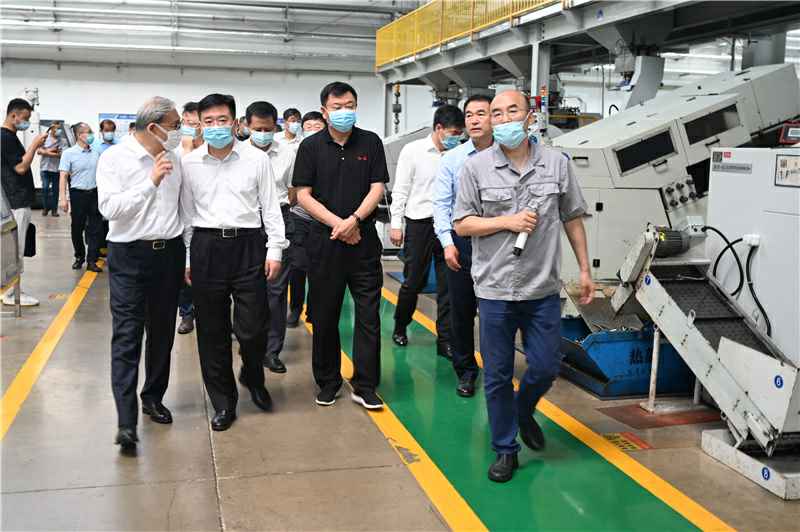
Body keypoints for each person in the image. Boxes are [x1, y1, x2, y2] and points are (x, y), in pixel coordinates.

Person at [453, 90, 594, 483]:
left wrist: (585, 269)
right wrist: (507, 222)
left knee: (546, 366)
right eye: (496, 113)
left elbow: (572, 217)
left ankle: (524, 408)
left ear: (529, 117)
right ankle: (505, 449)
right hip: (494, 289)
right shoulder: (475, 167)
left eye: (511, 111)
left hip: (541, 288)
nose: (503, 119)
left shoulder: (557, 164)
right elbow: (462, 224)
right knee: (497, 374)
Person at [181, 93, 288, 431]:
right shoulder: (189, 163)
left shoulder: (256, 160)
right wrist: (188, 257)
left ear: (235, 123)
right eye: (208, 121)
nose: (216, 126)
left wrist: (275, 250)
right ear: (200, 125)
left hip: (248, 246)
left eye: (222, 120)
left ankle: (253, 376)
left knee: (254, 328)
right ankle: (223, 401)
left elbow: (271, 207)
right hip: (206, 247)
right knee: (211, 331)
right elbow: (186, 215)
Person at [97, 96, 185, 453]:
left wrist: (187, 254)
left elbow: (183, 210)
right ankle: (125, 421)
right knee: (127, 334)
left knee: (162, 332)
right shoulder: (114, 159)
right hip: (129, 256)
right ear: (153, 127)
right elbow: (110, 208)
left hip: (170, 255)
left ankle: (153, 397)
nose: (180, 131)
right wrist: (150, 182)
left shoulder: (175, 159)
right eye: (175, 125)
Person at [293, 82, 388, 410]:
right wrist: (340, 224)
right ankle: (328, 381)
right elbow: (303, 195)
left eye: (350, 105)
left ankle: (365, 384)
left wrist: (355, 220)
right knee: (324, 315)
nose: (344, 111)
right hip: (325, 243)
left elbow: (377, 187)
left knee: (368, 316)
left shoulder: (371, 142)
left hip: (364, 242)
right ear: (325, 111)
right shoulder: (310, 147)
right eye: (337, 107)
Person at [390, 105, 464, 358]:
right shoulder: (413, 151)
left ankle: (445, 340)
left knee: (448, 285)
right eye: (454, 133)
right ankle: (400, 325)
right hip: (420, 223)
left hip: (450, 226)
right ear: (439, 128)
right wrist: (396, 224)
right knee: (413, 281)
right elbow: (401, 188)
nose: (457, 138)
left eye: (460, 134)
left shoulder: (460, 154)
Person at [433, 94, 493, 398]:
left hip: (499, 243)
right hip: (462, 243)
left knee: (497, 312)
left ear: (494, 118)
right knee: (461, 311)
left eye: (481, 113)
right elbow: (441, 205)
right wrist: (447, 243)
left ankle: (497, 369)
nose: (474, 120)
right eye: (469, 114)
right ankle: (466, 371)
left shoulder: (509, 155)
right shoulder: (453, 159)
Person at [246, 100, 296, 374]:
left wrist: (276, 213)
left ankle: (272, 350)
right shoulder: (238, 153)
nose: (263, 133)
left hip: (279, 220)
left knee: (276, 289)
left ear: (275, 127)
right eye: (258, 129)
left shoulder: (288, 153)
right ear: (247, 126)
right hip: (247, 223)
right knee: (247, 287)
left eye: (267, 129)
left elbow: (293, 190)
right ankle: (249, 342)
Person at [1, 98, 47, 306]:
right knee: (16, 250)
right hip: (16, 201)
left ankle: (10, 289)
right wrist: (35, 146)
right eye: (25, 118)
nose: (27, 122)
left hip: (14, 200)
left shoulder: (9, 137)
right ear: (14, 115)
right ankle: (11, 293)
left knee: (13, 248)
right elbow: (20, 168)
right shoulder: (6, 138)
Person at [286, 111, 326, 326]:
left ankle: (314, 309)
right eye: (308, 127)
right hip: (300, 217)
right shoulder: (296, 152)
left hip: (325, 220)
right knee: (298, 267)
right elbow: (291, 186)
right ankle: (295, 308)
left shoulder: (332, 153)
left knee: (320, 268)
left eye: (317, 127)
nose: (312, 131)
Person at [59, 122, 103, 273]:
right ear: (79, 135)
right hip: (77, 194)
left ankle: (92, 260)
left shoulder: (96, 153)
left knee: (96, 228)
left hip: (95, 194)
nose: (91, 135)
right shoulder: (69, 154)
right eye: (88, 132)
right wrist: (63, 198)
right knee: (77, 228)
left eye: (91, 132)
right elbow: (63, 176)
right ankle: (79, 256)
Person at [176, 101, 203, 335]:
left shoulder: (213, 150)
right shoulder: (175, 151)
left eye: (194, 123)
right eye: (186, 123)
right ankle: (186, 314)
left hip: (207, 222)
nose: (190, 128)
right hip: (181, 220)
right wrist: (186, 150)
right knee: (183, 272)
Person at [38, 122, 66, 217]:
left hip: (56, 169)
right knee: (45, 189)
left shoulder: (62, 141)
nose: (59, 131)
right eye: (57, 128)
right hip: (45, 168)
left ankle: (54, 210)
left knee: (55, 191)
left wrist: (46, 151)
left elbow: (62, 154)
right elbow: (39, 151)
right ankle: (46, 208)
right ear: (52, 129)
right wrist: (53, 151)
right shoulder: (45, 138)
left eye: (59, 129)